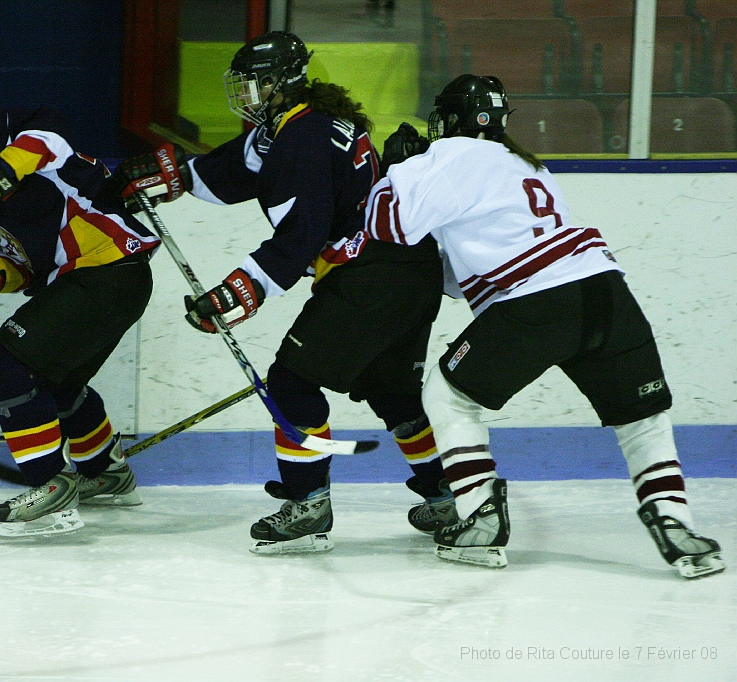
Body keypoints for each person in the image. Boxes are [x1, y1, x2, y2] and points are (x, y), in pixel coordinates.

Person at [366, 73, 725, 578]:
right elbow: (469, 270)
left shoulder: (450, 155)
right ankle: (675, 523)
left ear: (451, 119)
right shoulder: (527, 164)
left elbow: (386, 225)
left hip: (536, 303)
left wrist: (393, 172)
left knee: (446, 396)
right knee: (642, 418)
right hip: (605, 292)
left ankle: (482, 518)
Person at [112, 32, 448, 554]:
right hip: (408, 270)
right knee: (393, 393)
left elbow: (301, 233)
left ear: (280, 82)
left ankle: (307, 503)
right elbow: (236, 169)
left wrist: (239, 291)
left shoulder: (302, 139)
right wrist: (173, 173)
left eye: (253, 84)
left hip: (372, 275)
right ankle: (448, 497)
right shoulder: (298, 125)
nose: (244, 94)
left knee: (290, 383)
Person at [0, 73, 160, 537]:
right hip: (111, 280)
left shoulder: (2, 133)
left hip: (105, 270)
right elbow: (27, 266)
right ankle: (106, 473)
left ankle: (50, 488)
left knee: (3, 363)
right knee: (57, 383)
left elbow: (49, 137)